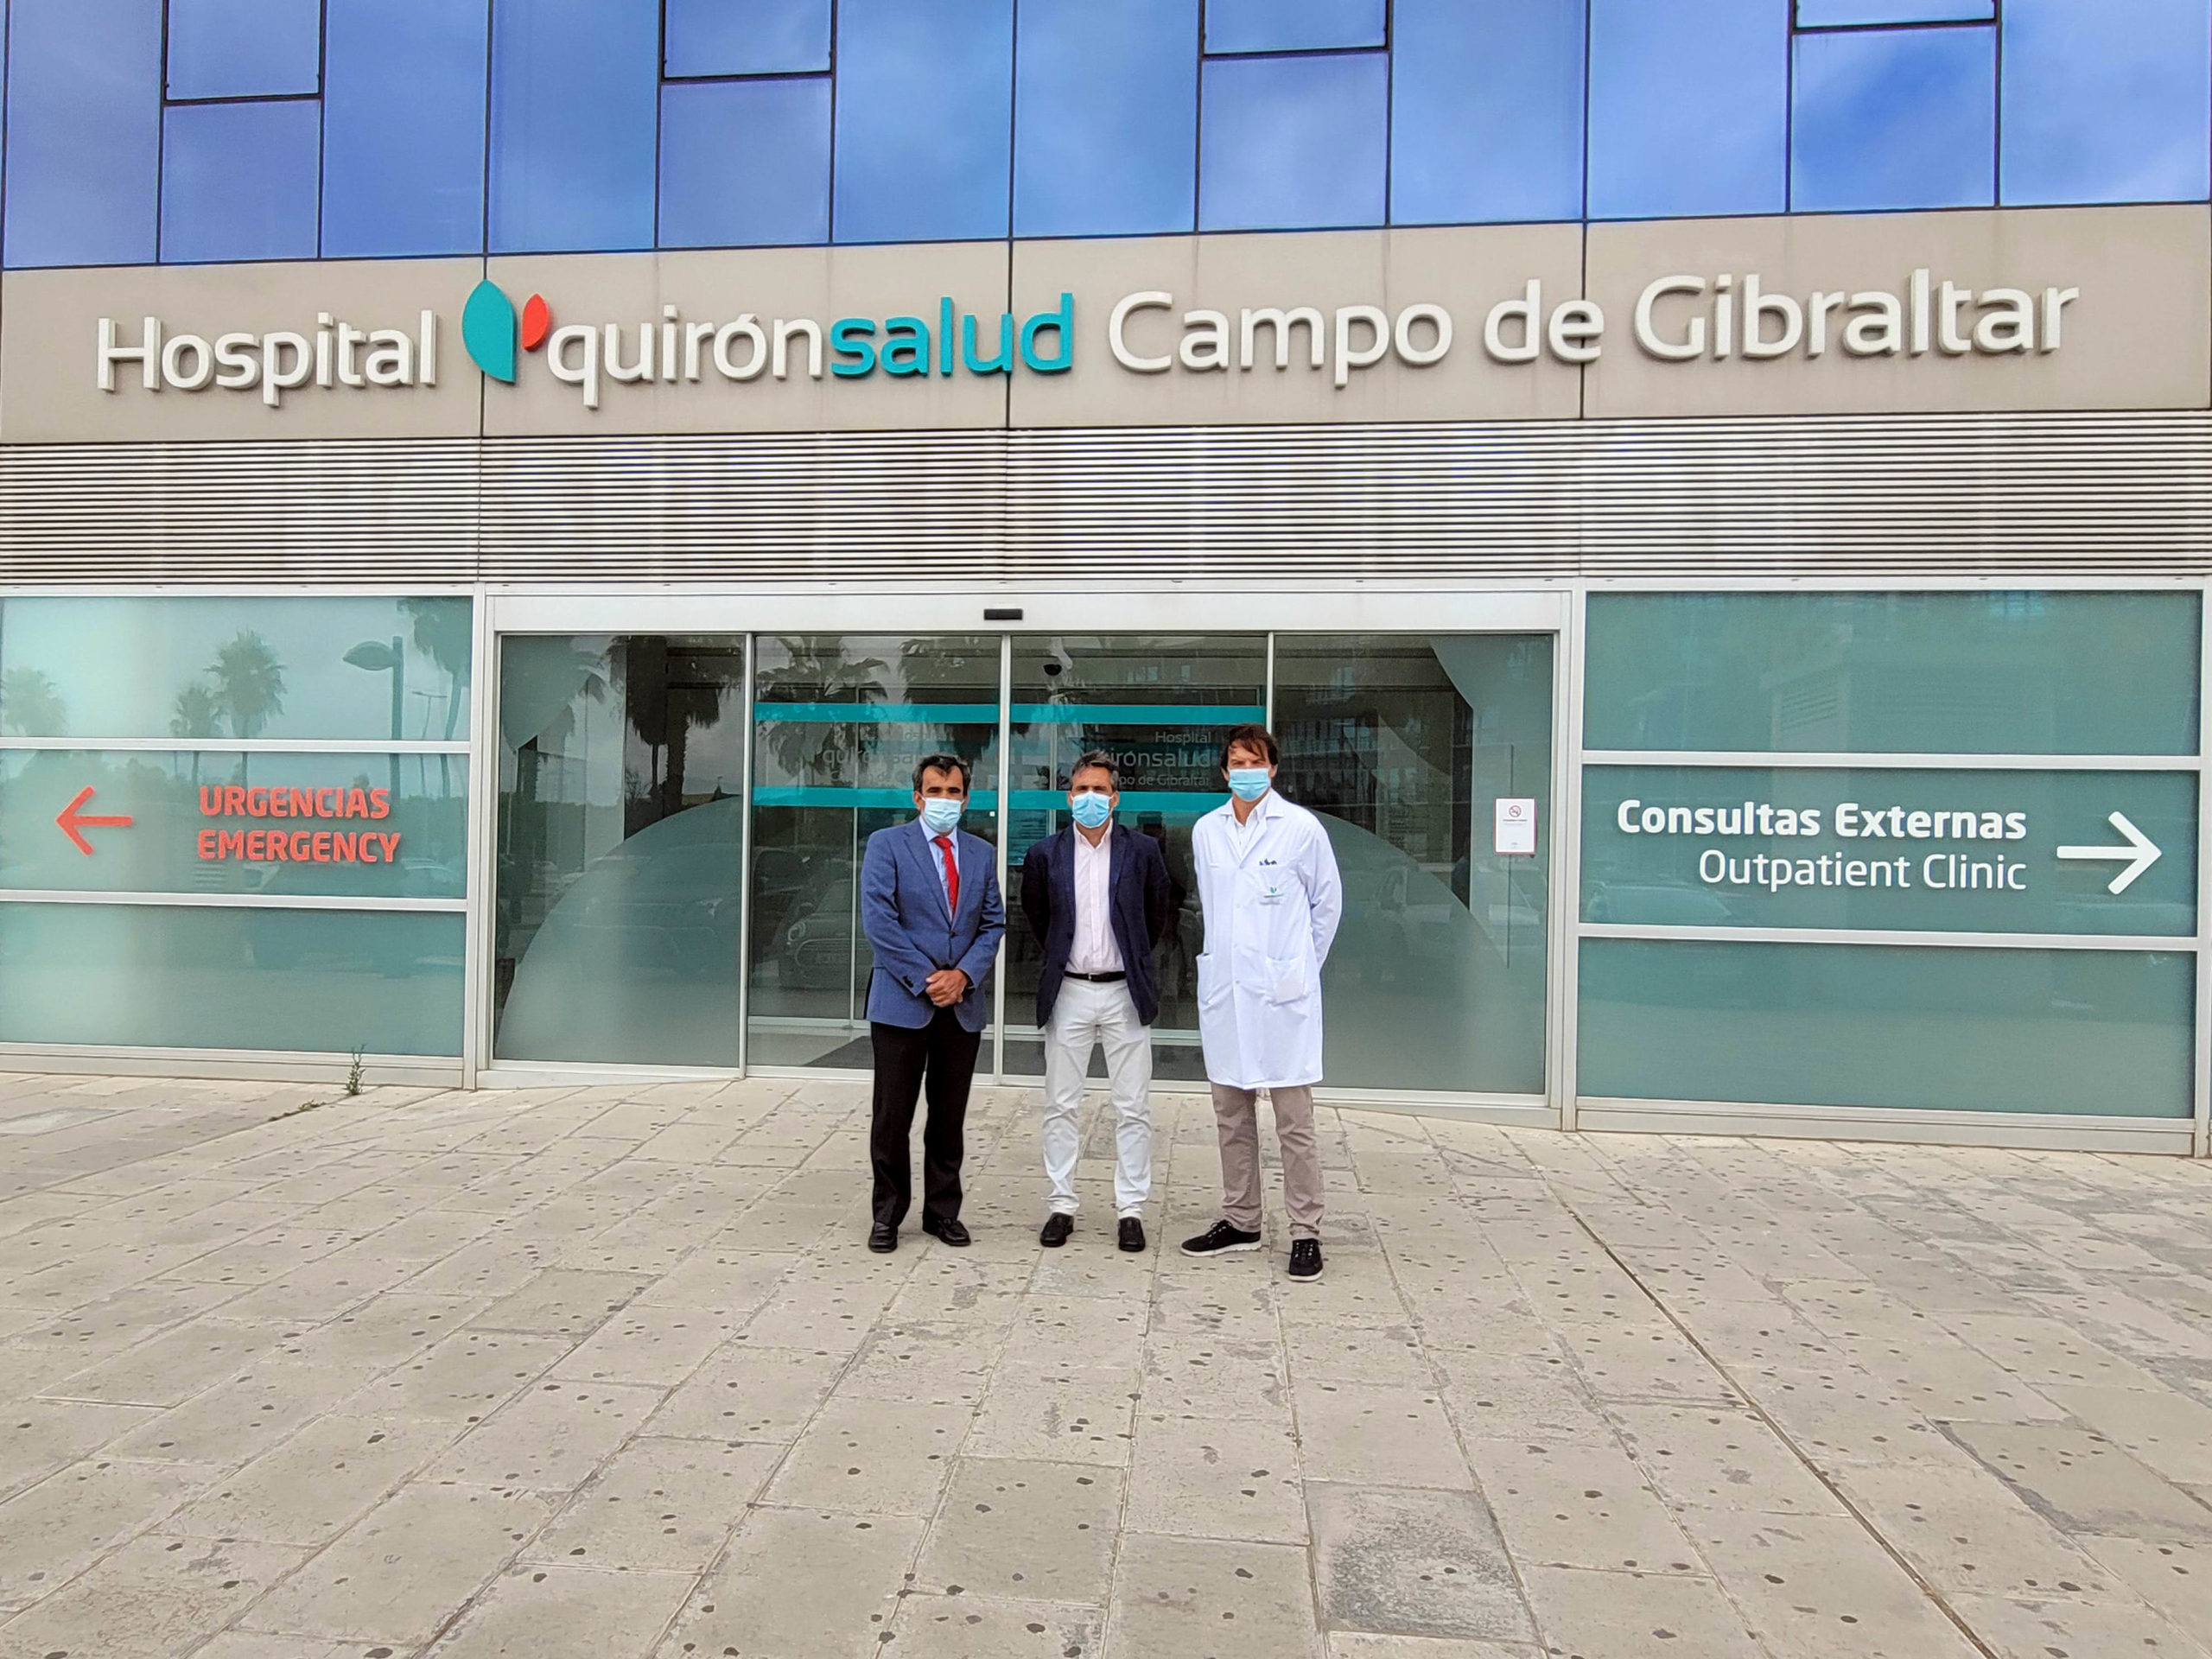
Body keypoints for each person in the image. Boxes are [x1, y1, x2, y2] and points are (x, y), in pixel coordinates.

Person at [1181, 723, 1343, 1281]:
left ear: (1273, 768)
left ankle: (1305, 1230)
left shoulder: (1300, 828)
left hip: (1282, 997)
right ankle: (1241, 1219)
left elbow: (1327, 907)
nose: (1246, 771)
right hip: (1227, 992)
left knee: (1294, 1122)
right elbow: (1213, 907)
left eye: (1256, 761)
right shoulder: (1207, 830)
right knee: (1231, 1115)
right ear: (1224, 771)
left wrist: (1295, 969)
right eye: (1237, 762)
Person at [1020, 751, 1173, 1253]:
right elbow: (1038, 916)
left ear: (1115, 797)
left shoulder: (1142, 850)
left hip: (1124, 991)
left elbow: (1156, 913)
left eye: (1100, 790)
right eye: (1082, 789)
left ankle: (1131, 1210)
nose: (1091, 798)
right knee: (1061, 1104)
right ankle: (1062, 1204)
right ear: (1069, 797)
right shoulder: (1045, 854)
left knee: (1133, 1107)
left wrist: (1131, 957)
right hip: (1069, 990)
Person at [859, 753, 1004, 1252]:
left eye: (954, 792)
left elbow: (993, 923)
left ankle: (942, 1213)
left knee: (948, 1118)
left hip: (961, 1006)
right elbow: (880, 922)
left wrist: (963, 975)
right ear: (917, 797)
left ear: (966, 798)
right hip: (902, 1003)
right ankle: (887, 1215)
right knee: (891, 1118)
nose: (945, 800)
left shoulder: (981, 853)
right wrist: (927, 980)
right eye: (935, 791)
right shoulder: (886, 844)